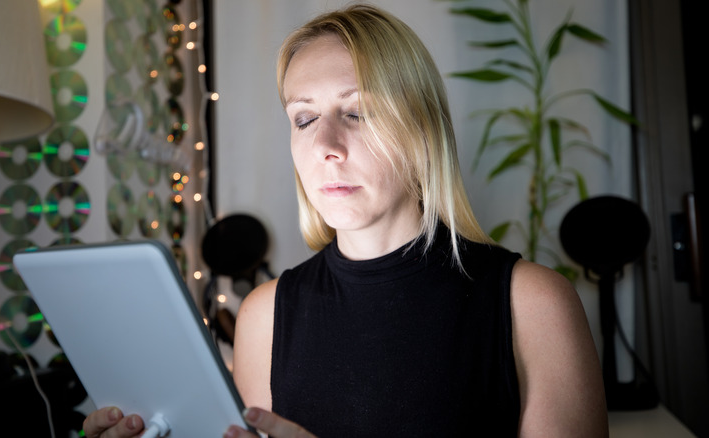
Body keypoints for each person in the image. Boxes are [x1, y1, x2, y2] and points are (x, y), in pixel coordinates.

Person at [83, 3, 608, 437]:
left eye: (357, 112)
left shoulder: (534, 304)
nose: (325, 147)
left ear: (422, 129)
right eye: (304, 119)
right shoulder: (263, 317)